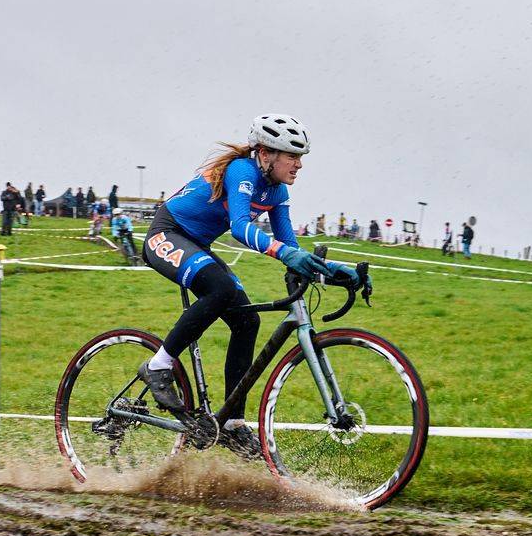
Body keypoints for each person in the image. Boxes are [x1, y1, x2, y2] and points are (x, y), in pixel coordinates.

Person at [136, 114, 369, 460]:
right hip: (166, 234)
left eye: (301, 156)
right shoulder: (242, 171)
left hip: (197, 245)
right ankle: (158, 365)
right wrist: (286, 253)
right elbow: (240, 229)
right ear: (265, 154)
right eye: (292, 155)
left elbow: (289, 247)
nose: (299, 164)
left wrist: (337, 271)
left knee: (248, 321)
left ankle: (231, 424)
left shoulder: (277, 191)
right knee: (220, 290)